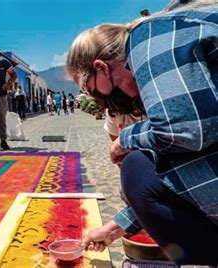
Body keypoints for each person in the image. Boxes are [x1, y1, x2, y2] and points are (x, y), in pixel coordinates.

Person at [66, 4, 218, 264]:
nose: (99, 100)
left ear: (101, 67)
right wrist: (113, 229)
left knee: (137, 166)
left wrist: (124, 140)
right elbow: (173, 165)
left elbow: (184, 131)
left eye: (91, 90)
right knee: (150, 160)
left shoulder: (147, 40)